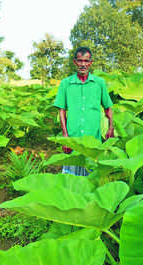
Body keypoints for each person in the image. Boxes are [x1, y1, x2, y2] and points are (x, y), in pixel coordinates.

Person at [53, 46, 114, 176]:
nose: (83, 64)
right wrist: (65, 136)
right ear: (75, 62)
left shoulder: (99, 83)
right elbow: (62, 110)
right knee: (71, 178)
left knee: (91, 177)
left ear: (90, 63)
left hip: (93, 139)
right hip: (73, 138)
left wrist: (111, 128)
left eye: (86, 61)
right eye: (80, 61)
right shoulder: (66, 84)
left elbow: (108, 108)